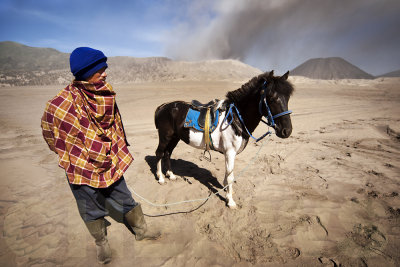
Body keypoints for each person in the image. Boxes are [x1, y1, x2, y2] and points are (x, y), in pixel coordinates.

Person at [41, 47, 160, 264]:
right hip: (80, 166)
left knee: (124, 197)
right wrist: (74, 153)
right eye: (100, 70)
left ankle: (141, 230)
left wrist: (110, 149)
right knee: (90, 207)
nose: (105, 73)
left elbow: (115, 126)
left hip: (109, 161)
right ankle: (101, 243)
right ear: (86, 73)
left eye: (105, 69)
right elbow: (50, 134)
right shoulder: (59, 105)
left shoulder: (105, 94)